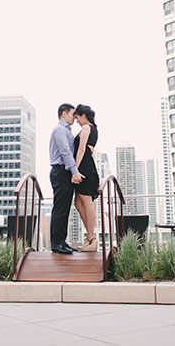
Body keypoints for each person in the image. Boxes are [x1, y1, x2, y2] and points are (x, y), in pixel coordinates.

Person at [48, 103, 84, 254]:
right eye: (72, 114)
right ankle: (56, 244)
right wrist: (74, 171)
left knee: (64, 210)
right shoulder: (59, 130)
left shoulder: (66, 131)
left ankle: (62, 241)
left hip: (64, 172)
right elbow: (65, 151)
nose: (75, 118)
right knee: (60, 209)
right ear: (64, 114)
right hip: (61, 172)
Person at [72, 104, 100, 251]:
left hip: (84, 168)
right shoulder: (94, 129)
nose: (76, 120)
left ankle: (92, 239)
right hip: (87, 167)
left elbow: (82, 149)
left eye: (77, 117)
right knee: (78, 203)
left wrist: (74, 169)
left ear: (83, 115)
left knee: (86, 203)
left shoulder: (86, 128)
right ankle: (90, 237)